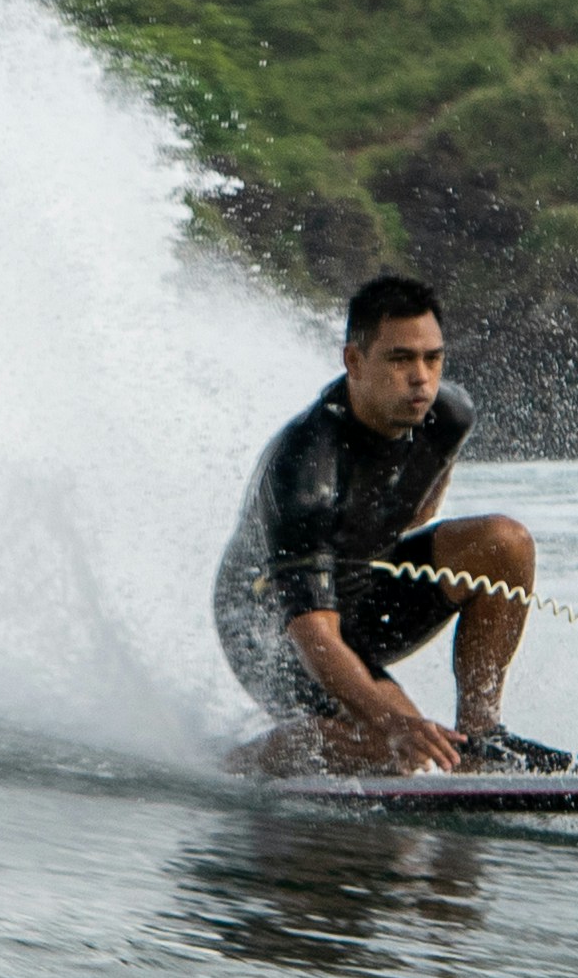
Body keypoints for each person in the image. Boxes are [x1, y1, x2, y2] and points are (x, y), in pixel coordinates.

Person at [219, 274, 552, 772]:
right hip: (272, 627)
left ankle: (483, 736)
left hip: (359, 594)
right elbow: (314, 634)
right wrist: (389, 723)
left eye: (432, 358)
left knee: (504, 543)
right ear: (354, 361)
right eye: (400, 359)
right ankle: (236, 764)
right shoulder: (306, 468)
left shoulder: (449, 415)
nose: (421, 377)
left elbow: (418, 512)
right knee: (395, 753)